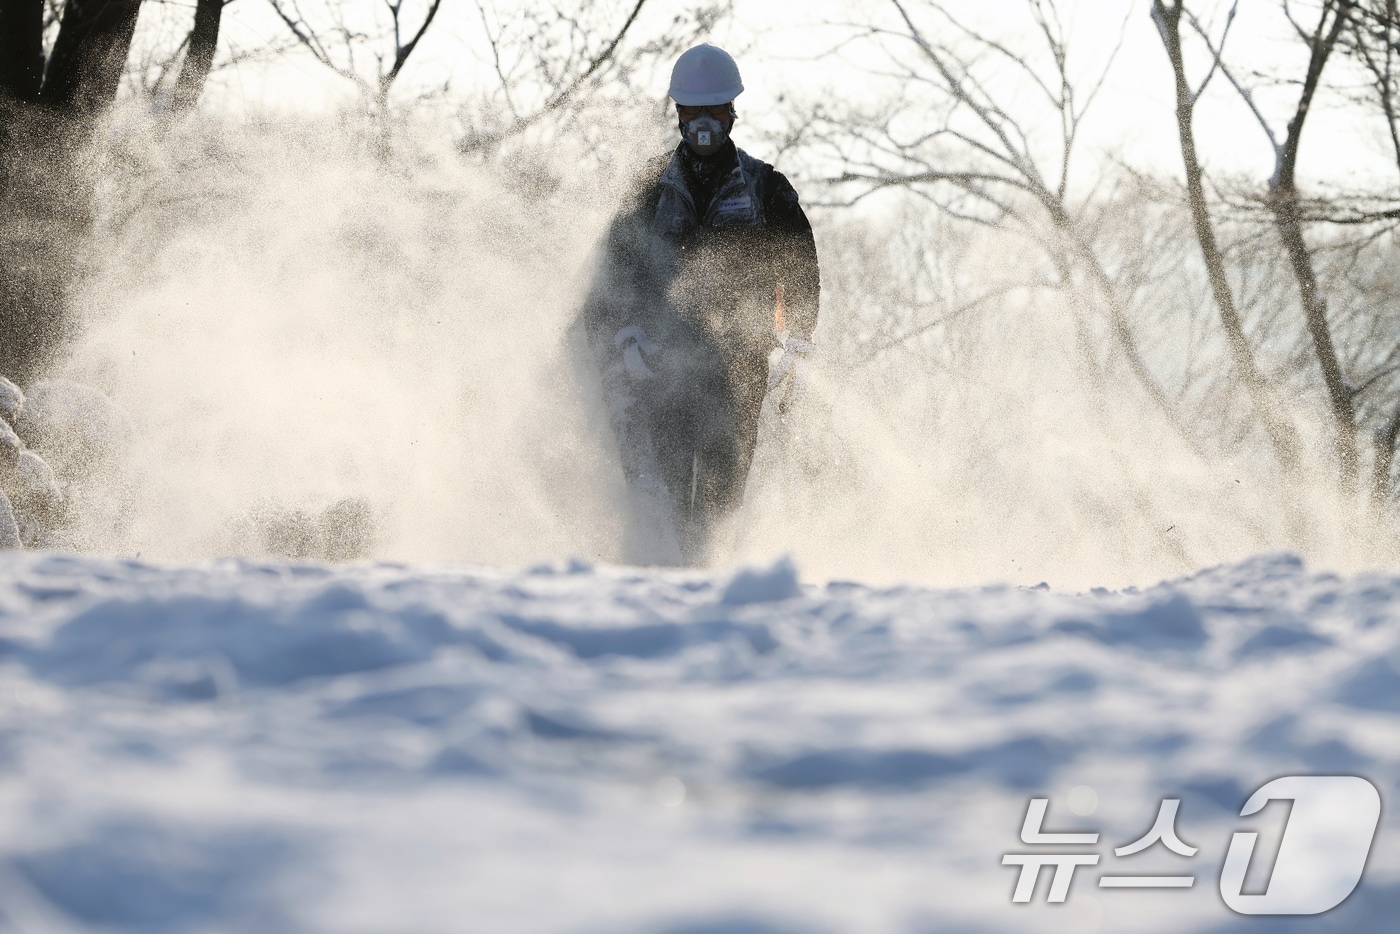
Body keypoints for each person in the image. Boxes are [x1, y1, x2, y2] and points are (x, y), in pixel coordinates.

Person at [580, 44, 820, 564]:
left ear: (732, 113)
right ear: (678, 114)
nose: (703, 125)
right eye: (693, 113)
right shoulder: (647, 190)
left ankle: (713, 584)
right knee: (663, 490)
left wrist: (796, 342)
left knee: (721, 496)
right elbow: (613, 270)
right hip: (661, 369)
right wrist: (625, 336)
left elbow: (799, 266)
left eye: (714, 112)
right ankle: (662, 579)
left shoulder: (766, 189)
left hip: (740, 371)